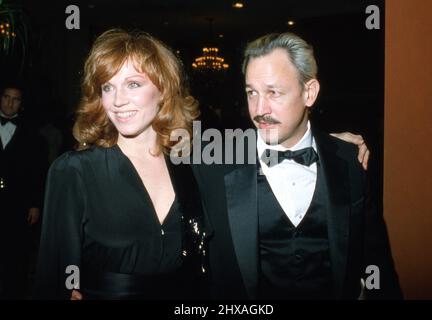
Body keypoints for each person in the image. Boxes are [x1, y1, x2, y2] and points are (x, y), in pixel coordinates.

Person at [192, 32, 402, 299]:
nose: (259, 109)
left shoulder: (349, 160)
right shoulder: (213, 166)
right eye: (251, 93)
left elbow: (376, 258)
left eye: (273, 92)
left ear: (309, 92)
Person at [33, 29, 210, 300]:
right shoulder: (74, 171)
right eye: (107, 87)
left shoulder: (189, 167)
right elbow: (54, 279)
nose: (117, 101)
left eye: (133, 84)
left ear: (163, 90)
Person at [0, 82, 47, 299]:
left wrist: (35, 204)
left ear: (21, 104)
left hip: (17, 203)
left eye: (15, 99)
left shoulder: (33, 135)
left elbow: (38, 172)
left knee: (16, 253)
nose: (10, 102)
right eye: (6, 97)